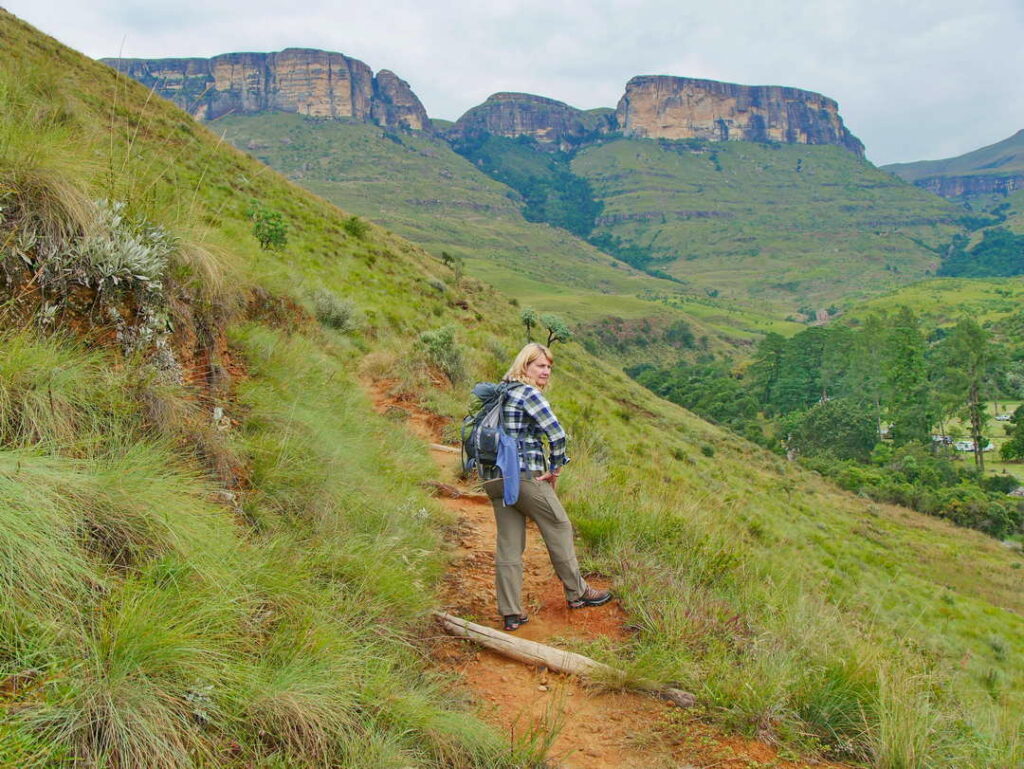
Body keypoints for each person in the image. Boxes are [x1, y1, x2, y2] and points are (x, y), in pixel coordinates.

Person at [482, 342, 612, 631]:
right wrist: (556, 468)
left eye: (549, 367)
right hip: (524, 476)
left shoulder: (501, 392)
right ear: (525, 365)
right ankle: (578, 593)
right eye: (540, 365)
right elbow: (557, 433)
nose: (546, 371)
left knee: (509, 545)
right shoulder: (528, 393)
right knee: (559, 526)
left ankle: (510, 612)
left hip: (494, 479)